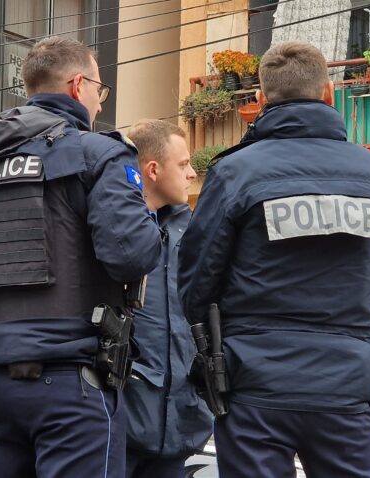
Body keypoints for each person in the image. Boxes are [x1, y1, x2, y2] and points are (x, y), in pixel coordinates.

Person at [0, 36, 160, 477]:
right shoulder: (99, 152)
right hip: (70, 379)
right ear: (77, 85)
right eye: (100, 90)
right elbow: (130, 255)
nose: (100, 103)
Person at [178, 41, 370, 478]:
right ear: (329, 93)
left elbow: (196, 284)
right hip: (345, 382)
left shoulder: (235, 171)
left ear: (260, 99)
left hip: (254, 385)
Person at [122, 119, 212, 478]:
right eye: (184, 164)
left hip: (178, 429)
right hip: (123, 423)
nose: (192, 173)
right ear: (153, 170)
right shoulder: (115, 228)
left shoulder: (192, 230)